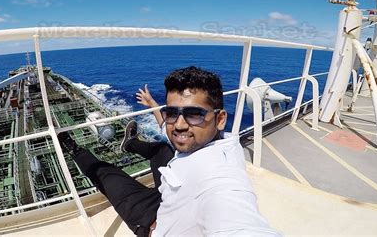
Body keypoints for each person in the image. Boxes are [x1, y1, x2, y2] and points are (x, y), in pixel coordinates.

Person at [66, 66, 279, 236]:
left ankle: (72, 148)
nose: (179, 125)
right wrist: (152, 103)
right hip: (169, 193)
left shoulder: (221, 179)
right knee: (161, 148)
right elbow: (174, 126)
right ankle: (130, 144)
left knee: (107, 174)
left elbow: (239, 222)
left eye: (194, 114)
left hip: (152, 221)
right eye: (171, 113)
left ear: (220, 118)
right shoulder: (222, 140)